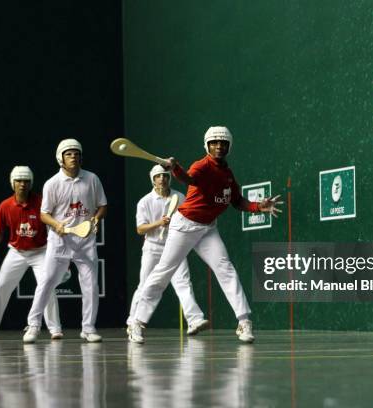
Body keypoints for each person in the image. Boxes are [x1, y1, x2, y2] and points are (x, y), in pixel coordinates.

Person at [128, 126, 282, 344]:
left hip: (208, 229)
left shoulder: (228, 174)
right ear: (207, 146)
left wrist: (259, 206)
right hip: (185, 226)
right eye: (214, 143)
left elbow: (238, 201)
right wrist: (174, 167)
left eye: (223, 143)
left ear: (229, 146)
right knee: (163, 272)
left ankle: (244, 321)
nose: (219, 146)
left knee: (226, 269)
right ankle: (137, 322)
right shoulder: (202, 166)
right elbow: (189, 178)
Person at [23, 139, 107, 343]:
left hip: (85, 241)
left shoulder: (92, 179)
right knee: (46, 282)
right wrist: (57, 224)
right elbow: (44, 214)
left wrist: (95, 219)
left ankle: (88, 328)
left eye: (77, 154)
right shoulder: (52, 183)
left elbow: (102, 205)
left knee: (91, 286)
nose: (74, 157)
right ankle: (33, 325)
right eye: (69, 154)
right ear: (60, 158)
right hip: (59, 242)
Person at [0, 166, 63, 341]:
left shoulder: (41, 202)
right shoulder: (5, 206)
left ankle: (55, 329)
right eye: (18, 181)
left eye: (26, 181)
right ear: (12, 183)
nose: (22, 184)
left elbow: (53, 225)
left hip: (41, 251)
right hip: (17, 252)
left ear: (30, 183)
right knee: (0, 287)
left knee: (46, 287)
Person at [126, 165, 209, 342]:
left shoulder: (179, 197)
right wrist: (158, 223)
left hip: (175, 247)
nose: (162, 179)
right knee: (145, 285)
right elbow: (140, 229)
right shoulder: (145, 202)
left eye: (165, 176)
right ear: (153, 180)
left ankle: (194, 320)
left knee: (183, 283)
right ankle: (133, 322)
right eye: (158, 176)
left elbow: (189, 217)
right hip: (153, 248)